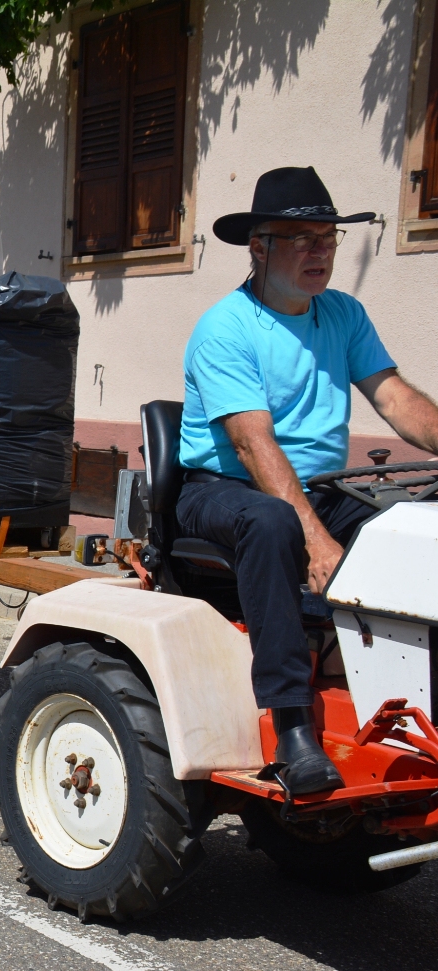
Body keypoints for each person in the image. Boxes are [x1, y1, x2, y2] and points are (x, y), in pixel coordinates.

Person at [178, 166, 438, 795]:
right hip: (222, 487)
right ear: (259, 246)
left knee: (412, 519)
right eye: (303, 239)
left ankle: (408, 699)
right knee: (272, 523)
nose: (320, 252)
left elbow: (396, 398)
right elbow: (251, 442)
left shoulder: (342, 314)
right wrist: (317, 542)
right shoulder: (226, 327)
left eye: (328, 238)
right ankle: (292, 724)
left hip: (320, 484)